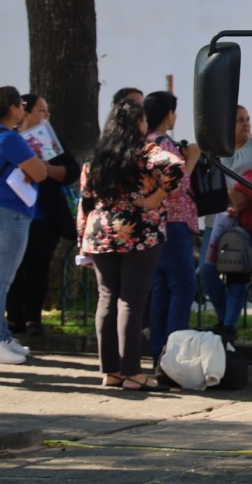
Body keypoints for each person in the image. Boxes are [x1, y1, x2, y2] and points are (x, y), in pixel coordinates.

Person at [79, 98, 184, 390]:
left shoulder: (97, 157)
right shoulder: (146, 152)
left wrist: (82, 242)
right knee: (131, 300)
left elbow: (85, 198)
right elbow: (176, 167)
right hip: (140, 229)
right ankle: (132, 372)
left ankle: (110, 371)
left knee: (107, 297)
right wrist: (158, 197)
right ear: (139, 124)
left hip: (100, 231)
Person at [0, 86, 49, 365]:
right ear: (14, 108)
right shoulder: (9, 138)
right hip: (10, 214)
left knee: (0, 276)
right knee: (0, 278)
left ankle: (2, 336)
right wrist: (34, 166)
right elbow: (40, 172)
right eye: (20, 106)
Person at [6, 93, 75, 337]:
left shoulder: (49, 140)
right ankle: (13, 318)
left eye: (47, 110)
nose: (46, 115)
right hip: (13, 213)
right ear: (25, 111)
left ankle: (33, 318)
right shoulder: (9, 137)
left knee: (38, 267)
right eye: (41, 110)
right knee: (14, 267)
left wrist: (44, 169)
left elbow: (71, 171)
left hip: (45, 216)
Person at [142, 91, 201, 364]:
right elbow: (179, 184)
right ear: (169, 114)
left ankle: (158, 349)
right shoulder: (164, 144)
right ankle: (174, 351)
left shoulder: (144, 142)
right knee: (184, 285)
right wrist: (192, 158)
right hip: (174, 221)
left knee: (162, 286)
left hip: (154, 221)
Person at [198, 105, 252, 328]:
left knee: (238, 273)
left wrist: (241, 199)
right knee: (207, 271)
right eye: (239, 120)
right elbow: (208, 184)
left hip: (246, 222)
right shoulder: (213, 149)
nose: (246, 123)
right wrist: (231, 195)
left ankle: (228, 327)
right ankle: (225, 318)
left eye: (247, 119)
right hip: (216, 219)